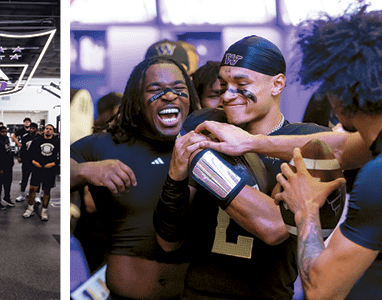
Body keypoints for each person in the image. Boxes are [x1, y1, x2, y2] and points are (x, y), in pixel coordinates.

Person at [194, 6, 382, 299]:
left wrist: (305, 209)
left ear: (341, 92)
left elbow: (321, 291)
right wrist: (250, 142)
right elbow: (338, 147)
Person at [154, 35, 331, 299]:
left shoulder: (307, 140)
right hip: (198, 292)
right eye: (224, 85)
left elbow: (273, 229)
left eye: (241, 83)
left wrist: (205, 163)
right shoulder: (207, 126)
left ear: (277, 84)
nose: (227, 95)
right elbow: (168, 241)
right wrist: (175, 176)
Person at [71, 56, 199, 299]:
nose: (169, 95)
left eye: (179, 89)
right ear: (137, 101)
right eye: (156, 89)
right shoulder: (105, 145)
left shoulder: (202, 146)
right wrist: (85, 170)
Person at [23, 124, 59, 221]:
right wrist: (34, 162)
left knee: (46, 191)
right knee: (32, 189)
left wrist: (53, 163)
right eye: (46, 129)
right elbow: (29, 154)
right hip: (38, 169)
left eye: (50, 129)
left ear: (53, 131)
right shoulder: (37, 141)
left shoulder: (57, 142)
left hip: (49, 170)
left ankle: (44, 211)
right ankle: (30, 208)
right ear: (44, 130)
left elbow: (61, 156)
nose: (48, 130)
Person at [0, 125, 15, 209]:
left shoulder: (6, 139)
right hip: (0, 167)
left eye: (5, 132)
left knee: (8, 183)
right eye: (3, 132)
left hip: (8, 166)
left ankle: (7, 198)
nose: (5, 133)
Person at [16, 122, 38, 202]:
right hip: (26, 160)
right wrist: (19, 156)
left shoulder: (39, 137)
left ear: (36, 129)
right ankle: (22, 195)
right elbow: (22, 148)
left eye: (33, 128)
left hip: (36, 161)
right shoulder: (25, 137)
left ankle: (36, 196)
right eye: (30, 128)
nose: (31, 130)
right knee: (24, 178)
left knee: (36, 179)